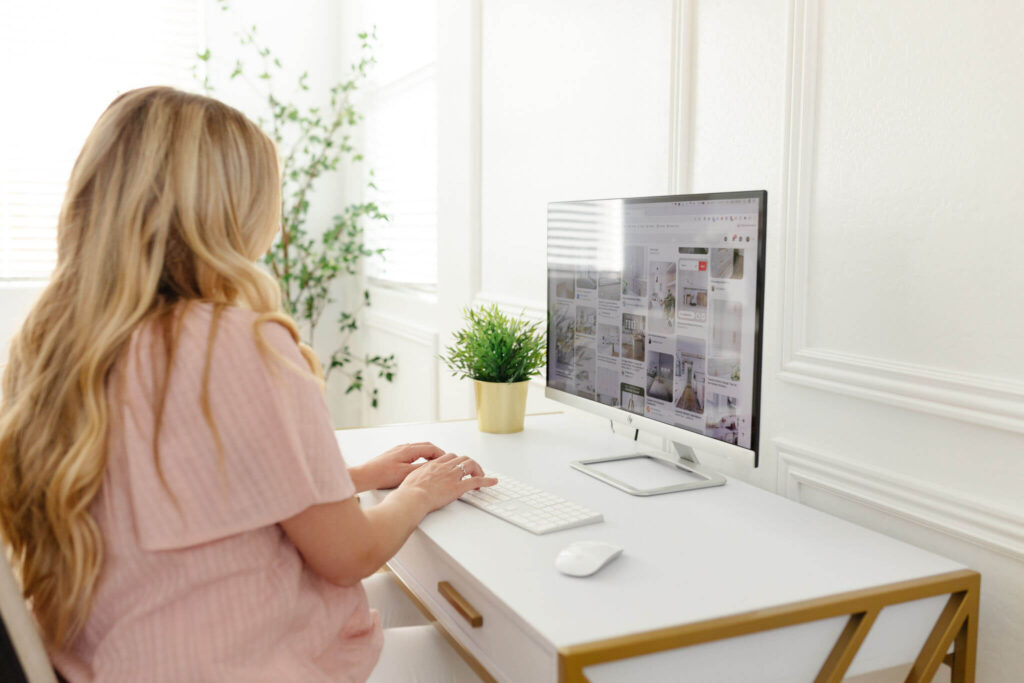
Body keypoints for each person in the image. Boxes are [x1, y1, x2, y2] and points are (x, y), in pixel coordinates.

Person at [0, 87, 496, 682]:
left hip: (111, 660)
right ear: (227, 211)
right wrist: (422, 491)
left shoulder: (55, 345)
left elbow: (179, 494)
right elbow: (349, 557)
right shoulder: (235, 343)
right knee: (494, 658)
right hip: (236, 664)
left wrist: (355, 479)